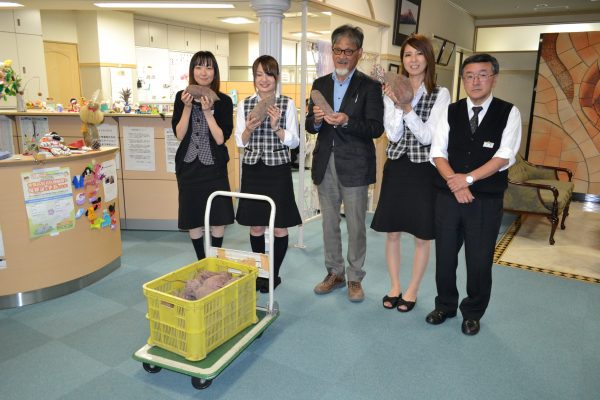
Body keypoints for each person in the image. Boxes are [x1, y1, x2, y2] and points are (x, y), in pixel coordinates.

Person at [427, 53, 522, 335]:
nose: (475, 81)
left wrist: (467, 180)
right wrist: (455, 184)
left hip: (485, 201)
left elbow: (504, 156)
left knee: (479, 261)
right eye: (469, 76)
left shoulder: (509, 112)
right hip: (448, 199)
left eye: (482, 75)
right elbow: (437, 152)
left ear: (494, 78)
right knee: (445, 257)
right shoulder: (450, 111)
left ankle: (473, 312)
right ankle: (445, 305)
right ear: (463, 80)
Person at [371, 34, 450, 312]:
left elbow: (428, 136)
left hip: (424, 170)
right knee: (392, 232)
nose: (413, 60)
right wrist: (394, 104)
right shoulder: (391, 88)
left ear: (428, 58)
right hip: (397, 167)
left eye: (418, 54)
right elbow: (392, 135)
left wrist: (407, 108)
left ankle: (412, 290)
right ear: (402, 60)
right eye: (407, 55)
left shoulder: (440, 94)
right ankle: (395, 286)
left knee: (421, 235)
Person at [306, 25, 384, 302]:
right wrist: (316, 120)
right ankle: (335, 273)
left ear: (359, 53)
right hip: (325, 162)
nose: (341, 56)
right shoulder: (320, 84)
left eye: (348, 51)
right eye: (337, 50)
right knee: (329, 223)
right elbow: (310, 124)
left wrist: (348, 121)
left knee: (355, 225)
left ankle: (355, 277)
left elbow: (376, 128)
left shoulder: (370, 86)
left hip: (355, 165)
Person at [235, 55, 302, 293]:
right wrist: (248, 129)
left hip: (278, 170)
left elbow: (294, 142)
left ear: (277, 77)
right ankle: (261, 272)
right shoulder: (244, 104)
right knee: (256, 227)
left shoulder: (287, 104)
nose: (264, 79)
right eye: (259, 74)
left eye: (269, 74)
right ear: (254, 78)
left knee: (279, 227)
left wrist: (277, 128)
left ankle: (273, 273)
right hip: (253, 169)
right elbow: (239, 142)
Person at [172, 51, 235, 260]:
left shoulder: (224, 101)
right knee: (193, 217)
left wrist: (208, 112)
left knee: (218, 217)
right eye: (198, 67)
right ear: (192, 71)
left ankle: (214, 260)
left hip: (214, 168)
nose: (203, 72)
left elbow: (220, 138)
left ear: (215, 72)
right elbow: (179, 134)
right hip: (188, 167)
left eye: (209, 67)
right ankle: (201, 260)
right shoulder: (182, 97)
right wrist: (187, 108)